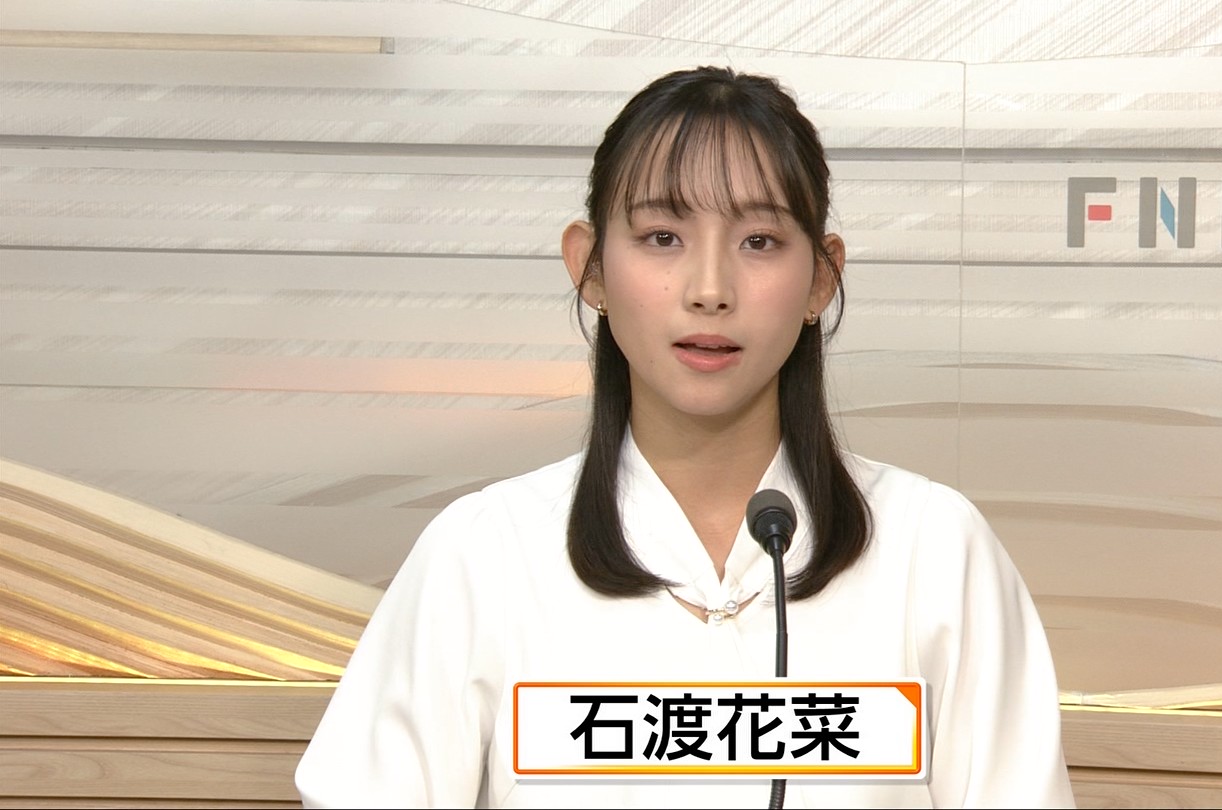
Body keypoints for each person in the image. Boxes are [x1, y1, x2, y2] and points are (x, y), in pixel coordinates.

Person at [295, 66, 1074, 809]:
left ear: (821, 279)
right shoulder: (485, 554)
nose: (709, 290)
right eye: (663, 236)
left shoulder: (933, 550)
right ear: (591, 269)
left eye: (759, 241)